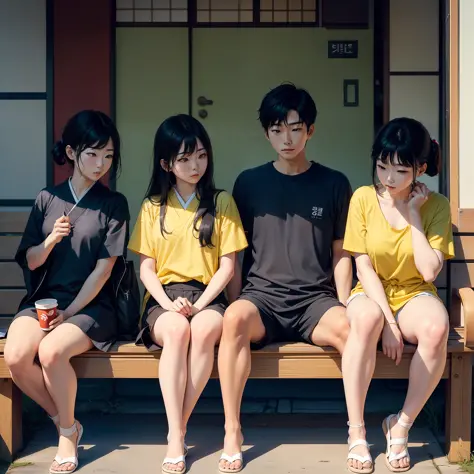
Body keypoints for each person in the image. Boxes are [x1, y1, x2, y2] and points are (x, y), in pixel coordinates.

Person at [217, 83, 353, 473]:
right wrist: (237, 299)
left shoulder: (334, 183)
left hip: (316, 301)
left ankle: (356, 429)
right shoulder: (249, 183)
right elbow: (236, 252)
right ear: (266, 133)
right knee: (234, 319)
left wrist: (342, 301)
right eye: (276, 129)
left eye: (295, 128)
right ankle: (232, 430)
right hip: (264, 300)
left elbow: (340, 253)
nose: (286, 138)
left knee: (351, 327)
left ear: (310, 130)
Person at [4, 110, 130, 474]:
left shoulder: (113, 204)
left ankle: (63, 437)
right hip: (44, 302)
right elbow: (30, 260)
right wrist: (49, 241)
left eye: (108, 156)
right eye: (93, 154)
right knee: (15, 356)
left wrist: (71, 312)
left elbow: (104, 270)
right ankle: (67, 423)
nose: (101, 163)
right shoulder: (47, 198)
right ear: (72, 152)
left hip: (91, 307)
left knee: (52, 350)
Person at [128, 114, 247, 474]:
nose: (195, 165)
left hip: (208, 294)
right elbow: (146, 268)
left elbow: (228, 266)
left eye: (201, 156)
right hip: (164, 299)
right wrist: (168, 304)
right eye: (184, 159)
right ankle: (176, 436)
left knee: (208, 329)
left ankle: (178, 428)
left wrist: (200, 303)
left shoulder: (221, 202)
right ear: (166, 164)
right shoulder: (153, 206)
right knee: (178, 331)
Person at [342, 117, 454, 473]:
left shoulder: (435, 205)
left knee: (437, 328)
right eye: (382, 166)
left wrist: (414, 216)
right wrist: (388, 322)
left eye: (400, 170)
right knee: (366, 319)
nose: (388, 178)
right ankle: (357, 431)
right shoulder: (362, 197)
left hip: (413, 292)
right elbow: (363, 266)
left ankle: (400, 424)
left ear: (420, 169)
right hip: (372, 291)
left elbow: (428, 272)